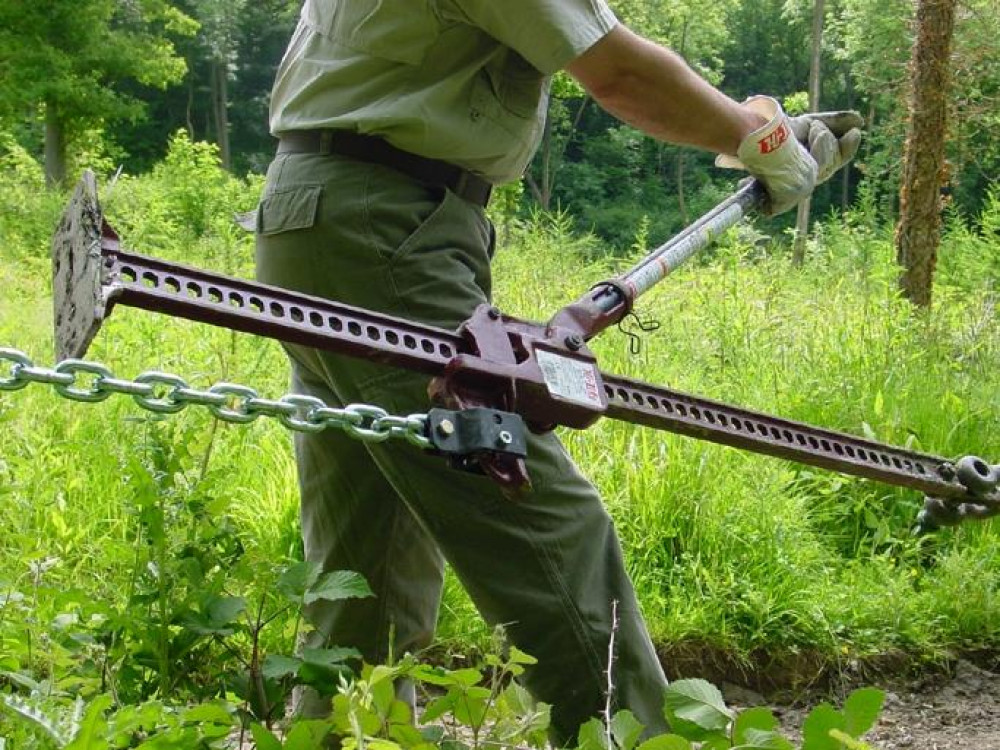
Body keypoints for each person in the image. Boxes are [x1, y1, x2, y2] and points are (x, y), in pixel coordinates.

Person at [254, 1, 861, 744]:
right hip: (384, 224)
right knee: (545, 523)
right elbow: (619, 70)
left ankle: (344, 735)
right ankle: (634, 736)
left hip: (321, 214)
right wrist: (761, 139)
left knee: (369, 544)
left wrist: (754, 131)